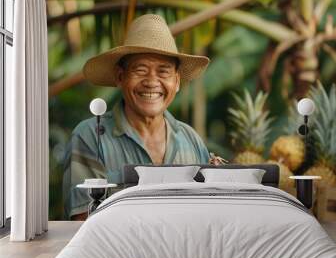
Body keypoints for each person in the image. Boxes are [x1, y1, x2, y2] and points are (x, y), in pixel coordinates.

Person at [63, 14, 222, 220]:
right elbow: (83, 222)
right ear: (121, 77)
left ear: (177, 81)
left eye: (163, 72)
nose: (151, 82)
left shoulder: (191, 140)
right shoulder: (90, 137)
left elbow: (206, 214)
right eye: (140, 70)